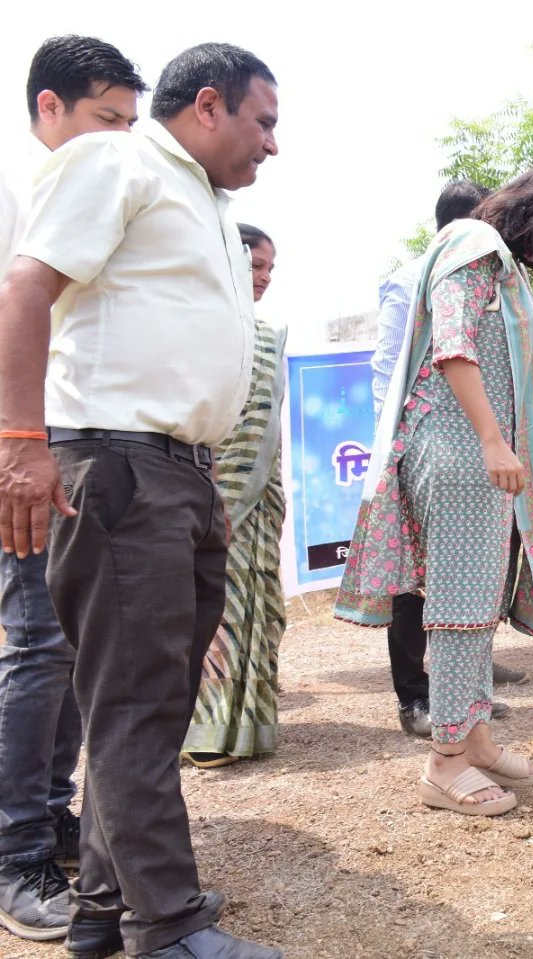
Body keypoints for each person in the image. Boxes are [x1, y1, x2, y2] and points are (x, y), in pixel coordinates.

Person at [0, 42, 284, 958]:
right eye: (263, 120)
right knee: (130, 703)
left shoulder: (206, 199)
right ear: (209, 104)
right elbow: (25, 288)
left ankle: (99, 911)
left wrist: (203, 480)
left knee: (153, 704)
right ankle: (168, 927)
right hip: (116, 466)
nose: (272, 144)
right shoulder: (115, 159)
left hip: (179, 474)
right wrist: (20, 442)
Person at [335, 161, 533, 818]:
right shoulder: (470, 248)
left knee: (478, 600)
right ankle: (444, 763)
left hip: (476, 456)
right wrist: (490, 438)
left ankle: (472, 736)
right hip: (456, 451)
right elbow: (453, 348)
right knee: (456, 605)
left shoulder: (498, 263)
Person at [0, 34, 144, 948]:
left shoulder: (95, 197)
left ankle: (49, 819)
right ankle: (17, 856)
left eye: (130, 125)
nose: (118, 142)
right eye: (104, 120)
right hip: (27, 451)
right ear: (48, 107)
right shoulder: (22, 199)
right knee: (38, 644)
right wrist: (19, 444)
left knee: (68, 649)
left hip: (75, 449)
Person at [371, 180, 525, 738]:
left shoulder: (492, 274)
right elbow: (392, 370)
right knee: (417, 584)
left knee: (472, 577)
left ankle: (463, 691)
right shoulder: (416, 277)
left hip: (474, 447)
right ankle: (416, 696)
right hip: (432, 444)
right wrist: (401, 448)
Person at [181, 225, 288, 768]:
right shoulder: (196, 329)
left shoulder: (267, 336)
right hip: (208, 488)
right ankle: (204, 731)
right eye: (255, 266)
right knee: (215, 609)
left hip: (258, 499)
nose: (265, 277)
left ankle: (246, 725)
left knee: (256, 604)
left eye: (271, 268)